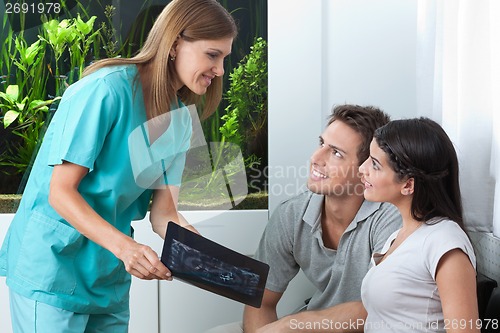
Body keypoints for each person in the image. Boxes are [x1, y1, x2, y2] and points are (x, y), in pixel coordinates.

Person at [0, 0, 237, 332]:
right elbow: (61, 193)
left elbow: (164, 215)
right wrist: (127, 249)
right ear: (175, 44)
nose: (221, 70)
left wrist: (209, 260)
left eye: (224, 58)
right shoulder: (105, 90)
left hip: (107, 277)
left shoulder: (180, 121)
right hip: (52, 269)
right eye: (213, 55)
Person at [206, 104, 402, 333]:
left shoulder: (390, 220)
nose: (316, 158)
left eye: (336, 153)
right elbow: (260, 301)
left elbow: (383, 309)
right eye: (321, 144)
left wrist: (292, 324)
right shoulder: (292, 215)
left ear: (367, 169)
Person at [358, 117, 478, 332]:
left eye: (375, 164)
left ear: (408, 184)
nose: (362, 168)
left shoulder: (444, 241)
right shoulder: (398, 236)